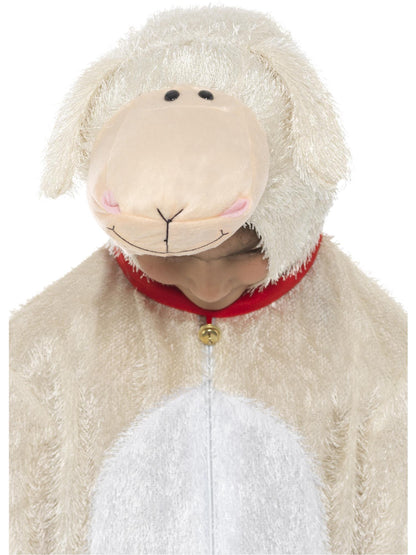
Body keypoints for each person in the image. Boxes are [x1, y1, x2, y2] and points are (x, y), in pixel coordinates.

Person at [9, 6, 407, 555]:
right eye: (173, 256)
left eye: (244, 253)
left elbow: (381, 523)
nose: (210, 288)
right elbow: (30, 522)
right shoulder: (50, 342)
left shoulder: (370, 339)